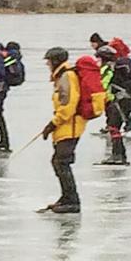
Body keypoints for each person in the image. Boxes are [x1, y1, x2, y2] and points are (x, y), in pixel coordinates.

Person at [39, 46, 85, 213]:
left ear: (56, 61)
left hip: (70, 126)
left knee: (61, 162)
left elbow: (68, 105)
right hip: (65, 126)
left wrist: (53, 123)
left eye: (49, 61)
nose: (48, 65)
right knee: (58, 162)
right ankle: (66, 197)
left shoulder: (67, 76)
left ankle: (73, 201)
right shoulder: (62, 76)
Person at [95, 40, 131, 165]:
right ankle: (121, 155)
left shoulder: (108, 68)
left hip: (118, 101)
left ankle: (117, 156)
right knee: (115, 127)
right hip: (128, 99)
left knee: (113, 127)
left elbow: (103, 84)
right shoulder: (123, 65)